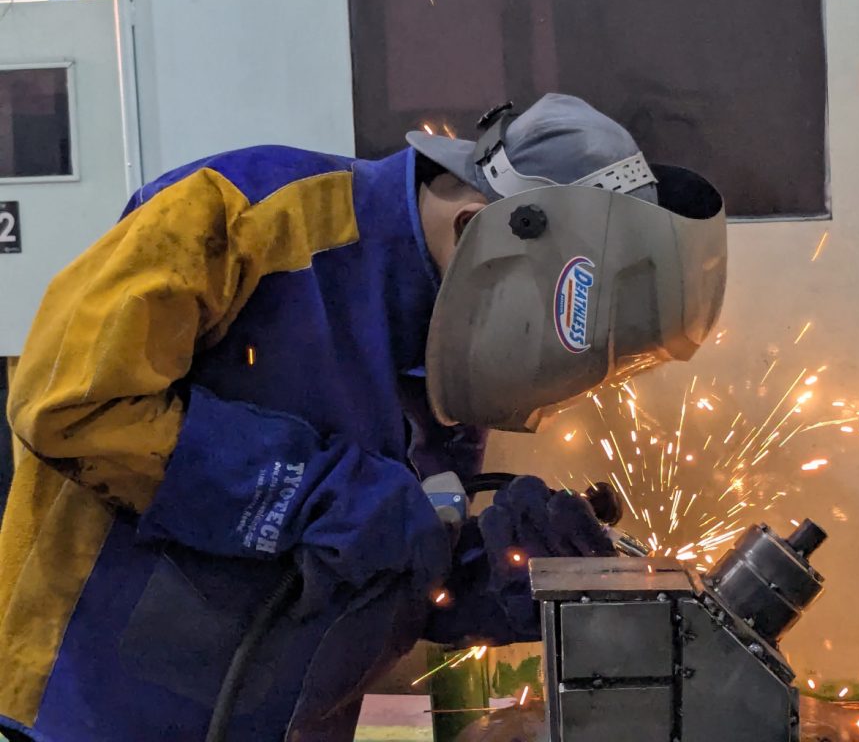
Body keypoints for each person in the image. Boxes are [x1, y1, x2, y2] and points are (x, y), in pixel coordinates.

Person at [0, 93, 726, 742]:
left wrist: (492, 576)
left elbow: (379, 557)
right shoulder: (241, 213)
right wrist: (312, 492)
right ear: (482, 230)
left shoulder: (450, 350)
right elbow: (71, 405)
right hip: (85, 712)